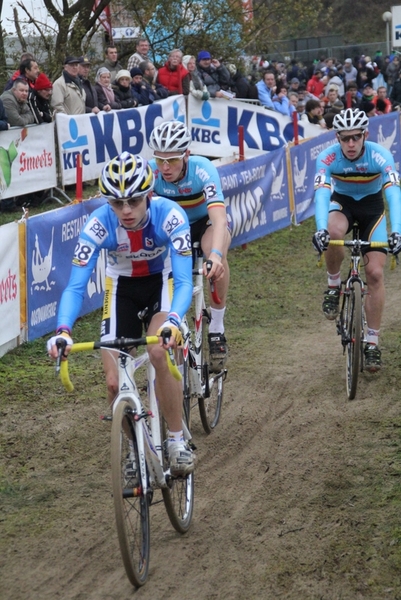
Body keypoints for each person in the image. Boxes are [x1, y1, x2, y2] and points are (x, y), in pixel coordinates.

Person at [46, 152, 195, 476]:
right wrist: (63, 330)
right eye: (117, 203)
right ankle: (132, 449)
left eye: (134, 201)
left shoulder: (170, 216)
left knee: (158, 350)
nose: (126, 211)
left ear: (149, 194)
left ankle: (174, 440)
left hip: (162, 284)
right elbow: (74, 287)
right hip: (121, 288)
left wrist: (173, 320)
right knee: (114, 385)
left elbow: (184, 280)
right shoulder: (98, 223)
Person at [312, 108, 401, 372]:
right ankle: (332, 285)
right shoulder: (327, 158)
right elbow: (321, 196)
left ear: (366, 134)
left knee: (374, 273)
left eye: (356, 137)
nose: (350, 144)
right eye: (344, 138)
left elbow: (394, 194)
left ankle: (371, 343)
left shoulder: (380, 156)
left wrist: (396, 230)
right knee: (334, 232)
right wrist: (320, 229)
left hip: (372, 209)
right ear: (337, 137)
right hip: (343, 205)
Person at [149, 121, 231, 371]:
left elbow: (218, 219)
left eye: (172, 160)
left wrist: (216, 255)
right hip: (173, 228)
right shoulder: (151, 174)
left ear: (186, 154)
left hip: (203, 223)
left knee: (214, 255)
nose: (165, 167)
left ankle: (216, 327)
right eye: (160, 160)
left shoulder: (203, 169)